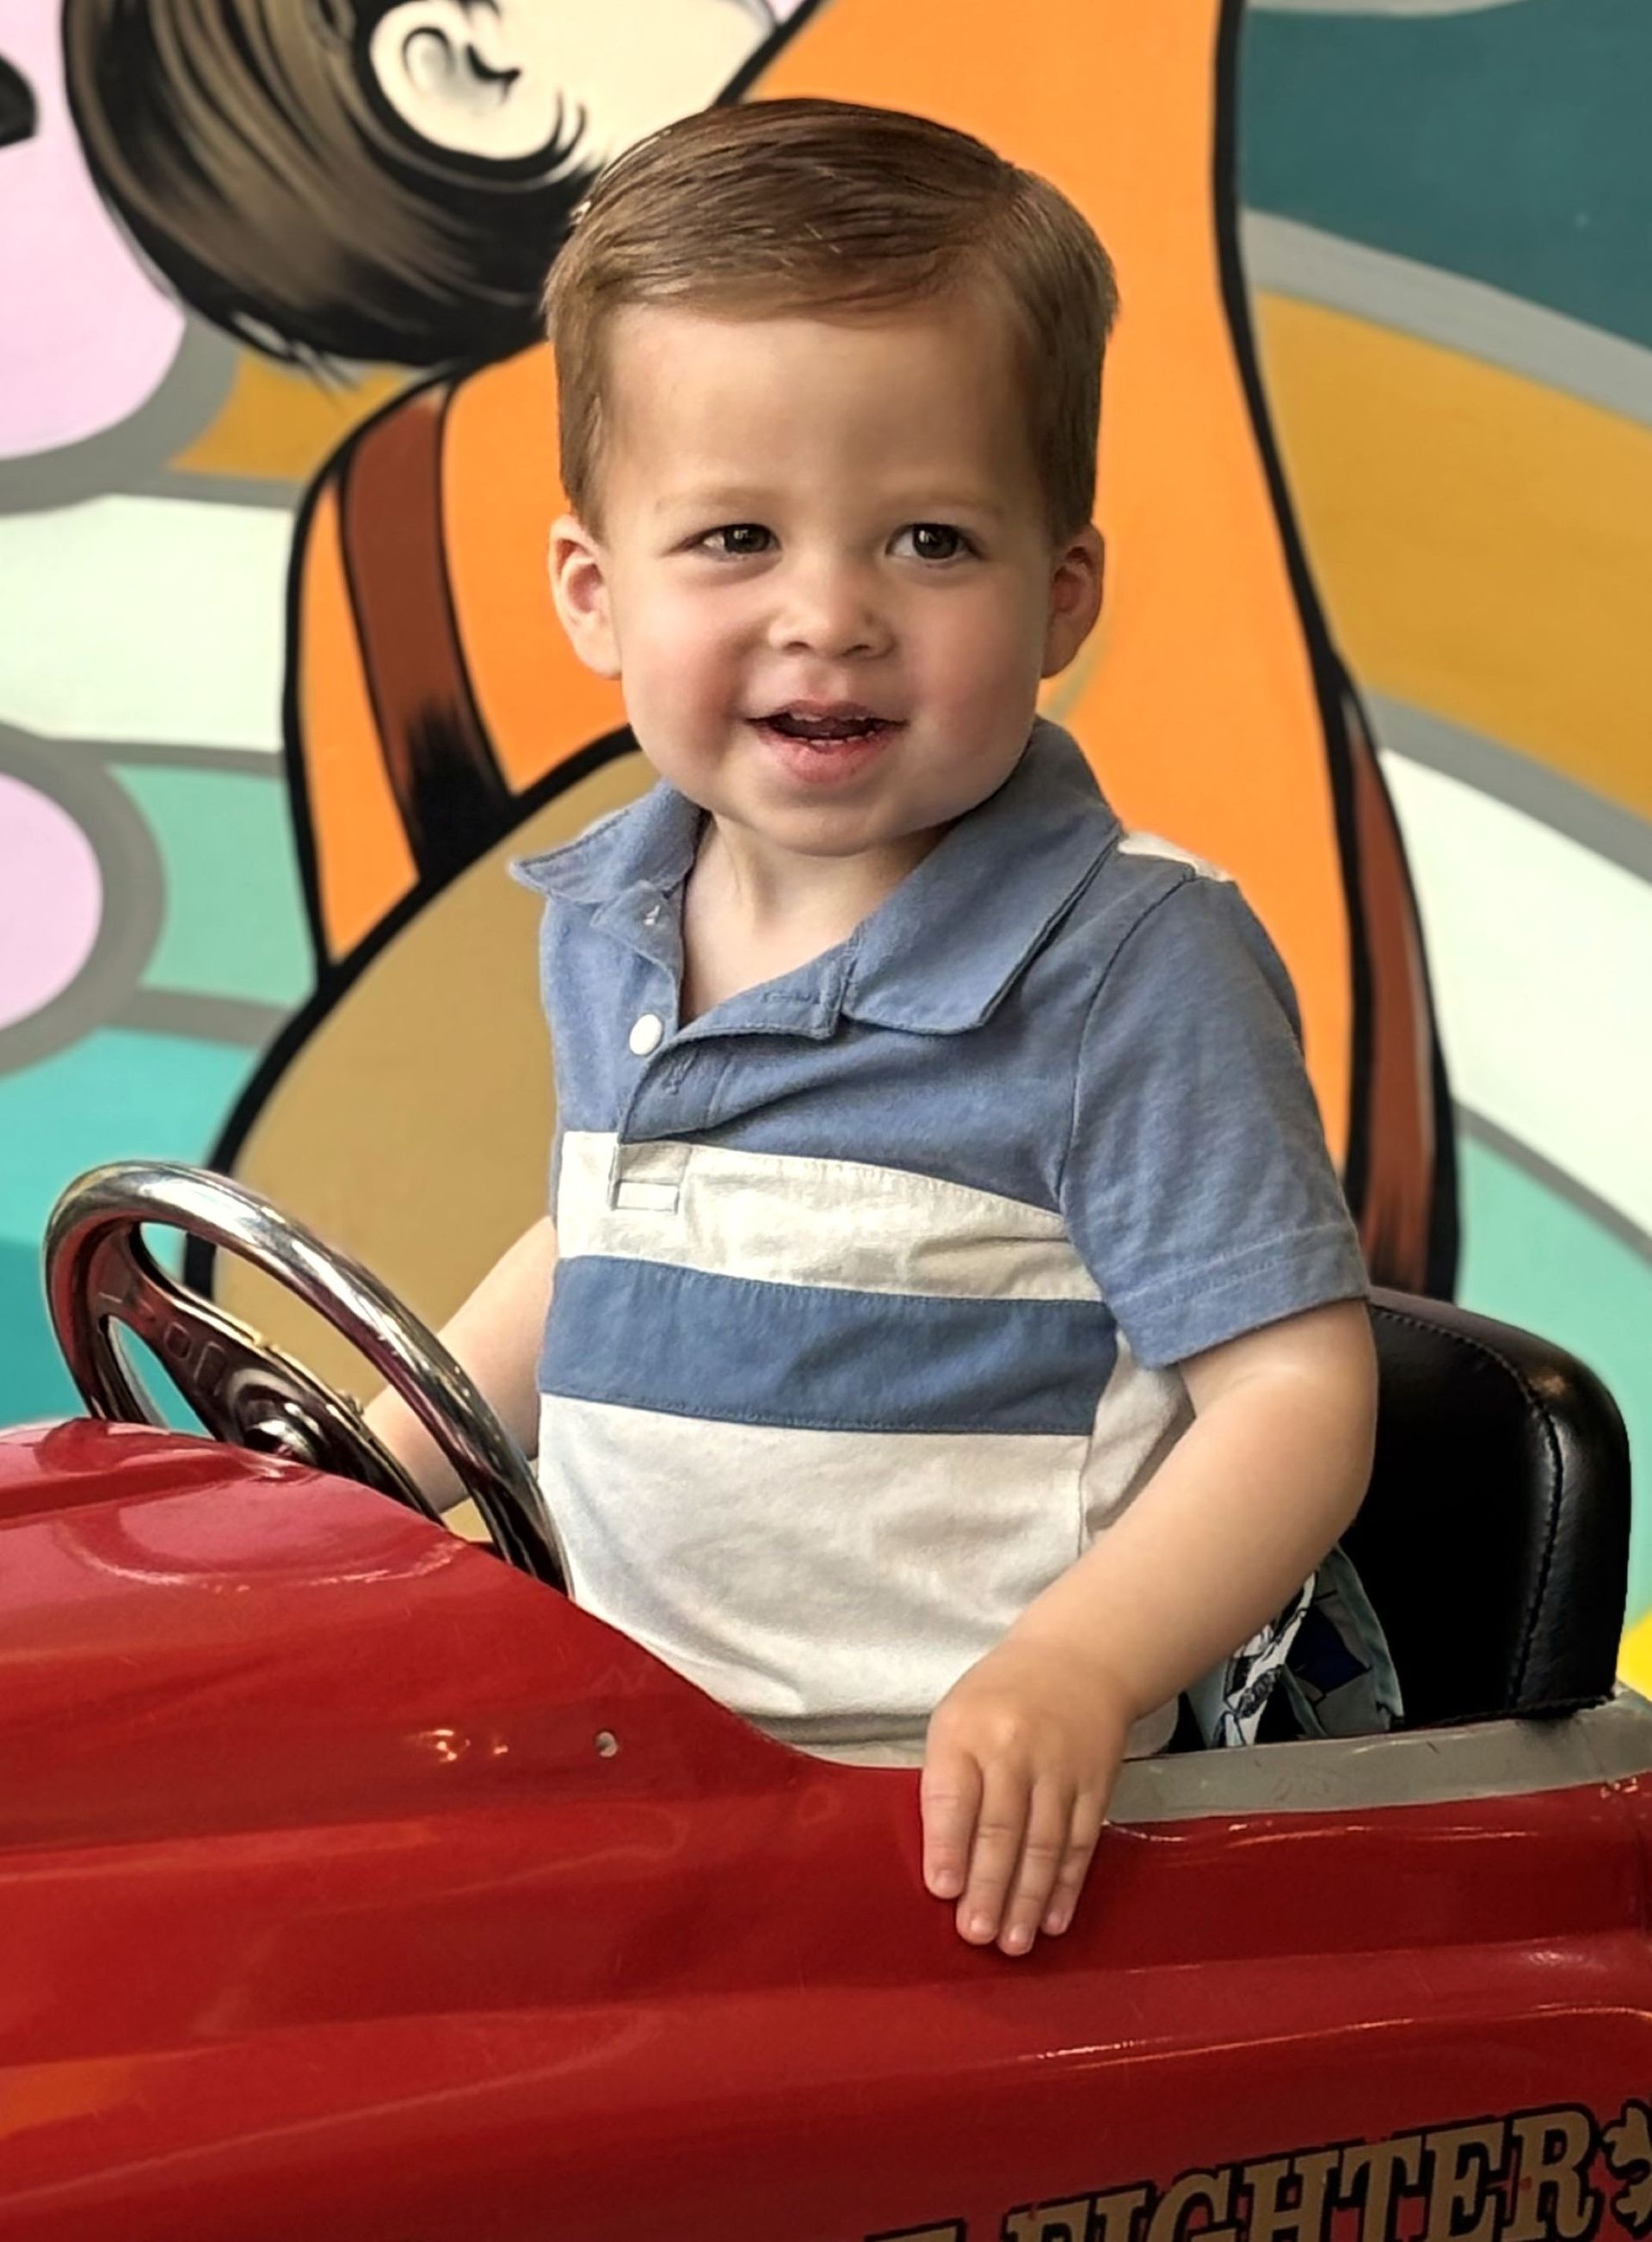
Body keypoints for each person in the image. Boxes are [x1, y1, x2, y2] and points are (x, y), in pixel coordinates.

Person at [366, 96, 1396, 1960]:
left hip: (953, 1839)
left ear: (1060, 590)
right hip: (650, 1781)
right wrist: (378, 1455)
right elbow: (603, 1229)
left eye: (928, 539)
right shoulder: (617, 909)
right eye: (738, 536)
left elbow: (1296, 1397)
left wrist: (1073, 1672)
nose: (829, 618)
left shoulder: (1127, 965)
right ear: (597, 596)